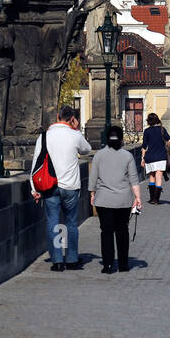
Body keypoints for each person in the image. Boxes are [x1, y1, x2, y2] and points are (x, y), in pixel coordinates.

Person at [30, 105, 92, 270]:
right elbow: (87, 150)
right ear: (72, 119)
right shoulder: (74, 135)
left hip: (50, 186)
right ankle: (71, 259)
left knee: (53, 222)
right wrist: (77, 129)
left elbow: (36, 164)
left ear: (57, 116)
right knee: (71, 223)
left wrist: (34, 189)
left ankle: (57, 261)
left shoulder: (44, 136)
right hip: (70, 186)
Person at [89, 125, 142, 273]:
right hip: (123, 200)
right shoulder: (127, 156)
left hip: (103, 200)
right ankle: (123, 264)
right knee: (122, 231)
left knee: (106, 232)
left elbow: (93, 177)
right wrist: (137, 197)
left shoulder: (99, 155)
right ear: (121, 139)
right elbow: (134, 179)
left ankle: (107, 265)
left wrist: (92, 193)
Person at [142, 112, 170, 203]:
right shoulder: (162, 129)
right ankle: (156, 199)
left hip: (150, 156)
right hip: (161, 156)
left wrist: (143, 158)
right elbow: (169, 140)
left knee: (152, 175)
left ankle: (151, 198)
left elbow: (144, 147)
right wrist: (167, 147)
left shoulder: (147, 131)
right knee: (159, 176)